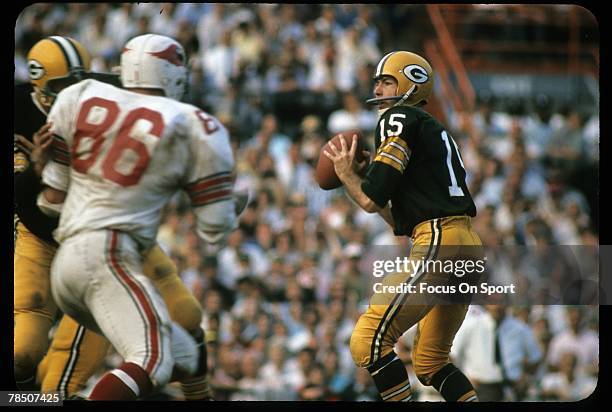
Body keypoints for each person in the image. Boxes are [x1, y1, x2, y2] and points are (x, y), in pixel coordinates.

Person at [37, 33, 238, 400]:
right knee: (152, 358)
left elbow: (51, 201)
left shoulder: (79, 96)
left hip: (66, 265)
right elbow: (214, 229)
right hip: (109, 253)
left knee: (185, 356)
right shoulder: (194, 123)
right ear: (173, 74)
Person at [323, 51, 482, 401]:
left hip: (440, 238)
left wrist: (348, 176)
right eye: (377, 82)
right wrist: (361, 179)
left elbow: (369, 200)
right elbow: (398, 217)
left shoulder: (398, 116)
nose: (379, 89)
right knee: (430, 362)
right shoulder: (431, 128)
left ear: (411, 83)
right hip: (464, 241)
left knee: (367, 339)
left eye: (387, 81)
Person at [451, 304, 542, 401]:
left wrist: (526, 377)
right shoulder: (471, 326)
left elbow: (535, 358)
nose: (497, 306)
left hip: (511, 389)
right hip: (480, 388)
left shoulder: (520, 329)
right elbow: (452, 355)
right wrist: (462, 380)